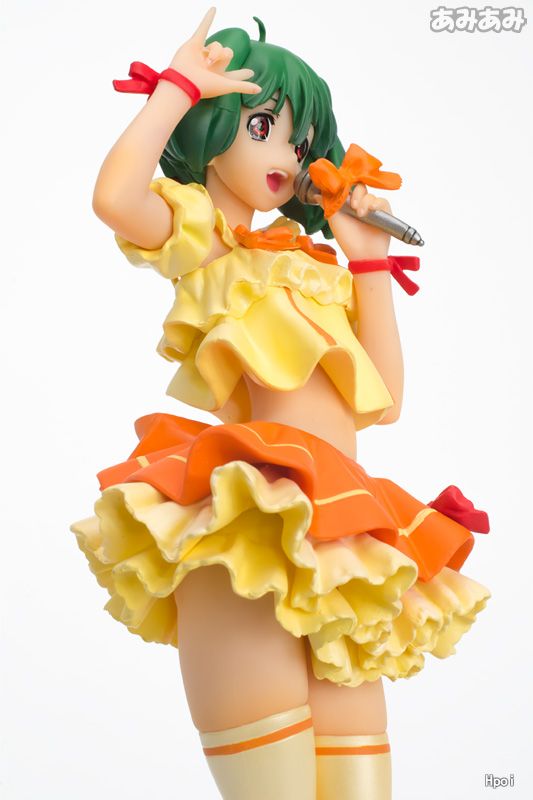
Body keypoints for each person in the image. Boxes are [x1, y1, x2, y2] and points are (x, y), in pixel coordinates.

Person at [71, 9, 491, 799]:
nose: (284, 155)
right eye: (261, 126)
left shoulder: (315, 265)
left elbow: (383, 402)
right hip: (256, 519)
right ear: (211, 129)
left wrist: (367, 261)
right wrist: (177, 88)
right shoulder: (206, 242)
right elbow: (116, 198)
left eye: (298, 141)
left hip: (341, 526)